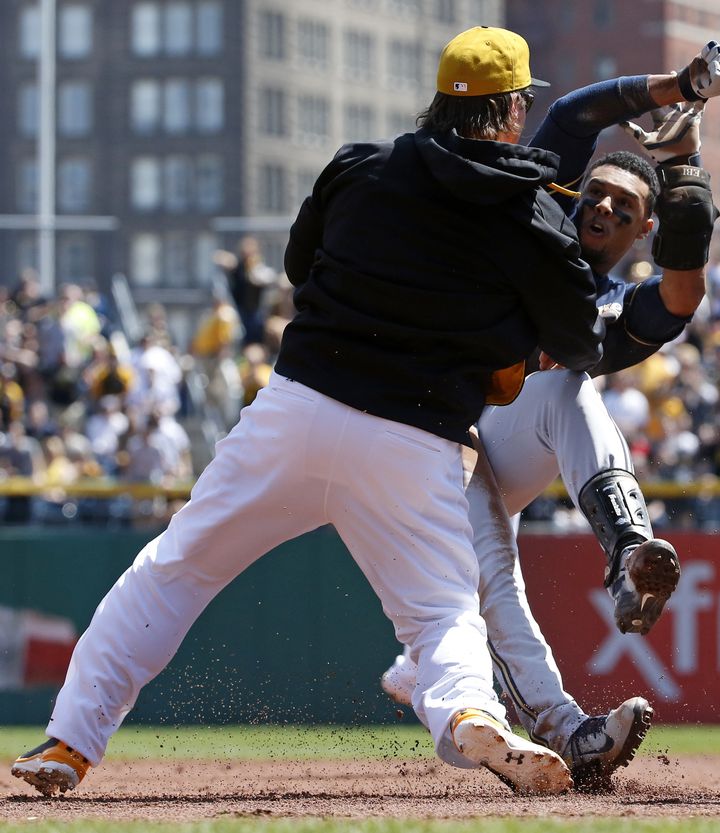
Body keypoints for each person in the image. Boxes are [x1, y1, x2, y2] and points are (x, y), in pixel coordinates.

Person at [12, 27, 604, 797]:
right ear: (515, 112)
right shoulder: (528, 214)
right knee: (440, 613)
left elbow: (299, 264)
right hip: (415, 437)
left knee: (173, 570)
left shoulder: (364, 166)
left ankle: (70, 740)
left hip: (296, 410)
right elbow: (579, 337)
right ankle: (466, 710)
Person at [381, 41, 720, 788]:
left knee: (566, 386)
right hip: (414, 433)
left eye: (624, 207)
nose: (601, 206)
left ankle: (627, 555)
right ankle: (562, 726)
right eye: (595, 193)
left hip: (490, 444)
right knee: (492, 575)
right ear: (571, 195)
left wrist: (683, 167)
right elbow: (575, 114)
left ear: (644, 232)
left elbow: (681, 295)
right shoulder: (530, 210)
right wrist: (680, 86)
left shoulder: (616, 306)